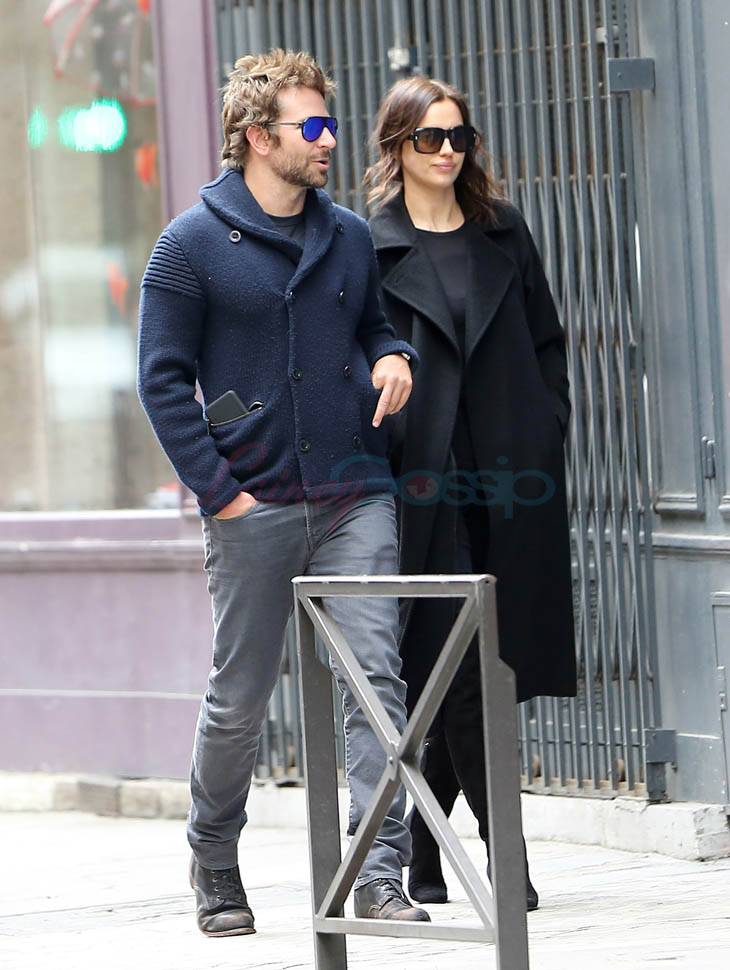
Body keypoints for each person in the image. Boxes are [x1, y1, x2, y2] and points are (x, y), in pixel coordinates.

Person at [137, 49, 430, 937]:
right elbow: (162, 382)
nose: (330, 139)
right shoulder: (189, 245)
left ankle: (378, 872)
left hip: (354, 494)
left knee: (375, 683)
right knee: (241, 698)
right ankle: (214, 858)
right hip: (251, 504)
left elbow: (372, 326)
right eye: (314, 126)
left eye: (329, 123)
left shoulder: (347, 234)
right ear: (259, 137)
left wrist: (393, 356)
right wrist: (223, 497)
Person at [365, 77, 577, 910]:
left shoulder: (503, 229)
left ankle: (423, 850)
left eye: (460, 136)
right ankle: (504, 856)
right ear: (397, 147)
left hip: (512, 477)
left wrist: (548, 424)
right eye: (430, 138)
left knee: (487, 661)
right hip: (424, 484)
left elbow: (547, 339)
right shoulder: (368, 244)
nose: (449, 151)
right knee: (456, 667)